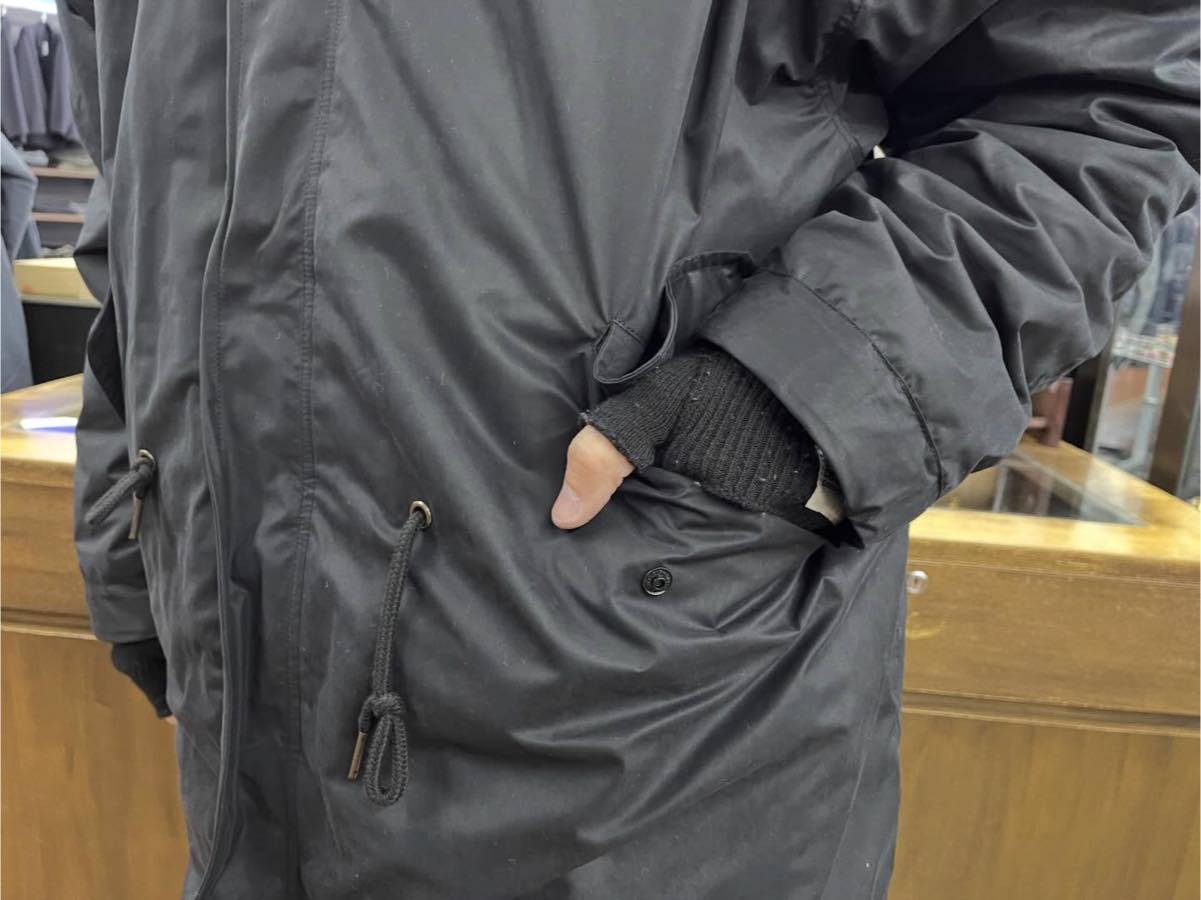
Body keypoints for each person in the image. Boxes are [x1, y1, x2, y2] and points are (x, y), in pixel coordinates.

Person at [59, 0, 1197, 897]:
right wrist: (130, 521)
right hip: (242, 660)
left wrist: (794, 398)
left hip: (644, 694)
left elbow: (1104, 83)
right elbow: (134, 151)